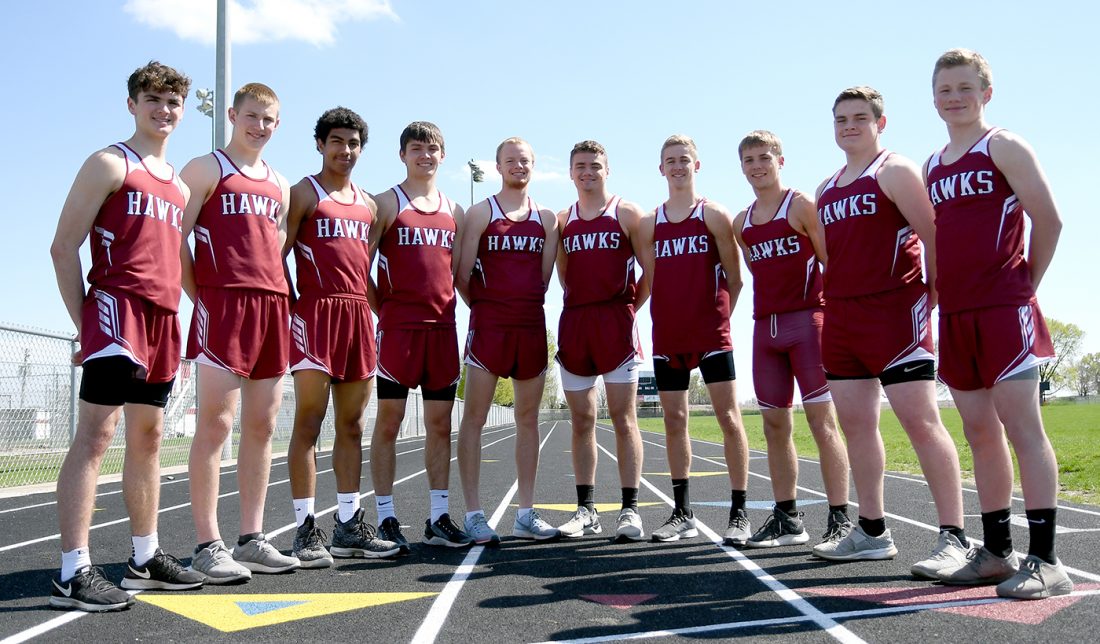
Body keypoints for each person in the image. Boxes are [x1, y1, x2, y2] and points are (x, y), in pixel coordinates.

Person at [48, 61, 205, 611]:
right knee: (97, 434)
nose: (164, 110)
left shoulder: (179, 185)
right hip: (117, 307)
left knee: (149, 438)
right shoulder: (110, 162)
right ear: (132, 104)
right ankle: (73, 570)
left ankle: (144, 556)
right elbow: (62, 247)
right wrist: (86, 326)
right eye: (153, 100)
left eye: (173, 102)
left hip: (163, 318)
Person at [924, 49, 1070, 599]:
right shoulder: (933, 165)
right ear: (933, 98)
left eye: (965, 87)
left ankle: (1047, 560)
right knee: (979, 433)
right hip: (957, 314)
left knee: (1023, 428)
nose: (954, 97)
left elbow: (1049, 219)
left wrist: (1025, 284)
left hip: (1004, 308)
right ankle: (995, 553)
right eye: (944, 89)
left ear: (986, 93)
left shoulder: (1003, 145)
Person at [809, 87, 969, 581]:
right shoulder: (825, 188)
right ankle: (872, 531)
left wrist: (931, 295)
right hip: (843, 319)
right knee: (857, 426)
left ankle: (955, 538)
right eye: (841, 119)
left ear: (880, 123)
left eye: (860, 117)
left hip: (896, 315)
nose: (849, 126)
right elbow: (832, 256)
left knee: (921, 423)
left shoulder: (895, 170)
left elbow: (935, 234)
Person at [180, 82, 300, 582]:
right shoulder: (205, 169)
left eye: (269, 119)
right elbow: (176, 240)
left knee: (263, 426)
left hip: (271, 307)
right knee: (216, 424)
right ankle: (207, 544)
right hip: (223, 304)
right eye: (252, 116)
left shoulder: (280, 183)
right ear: (232, 115)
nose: (260, 126)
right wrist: (203, 297)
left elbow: (275, 247)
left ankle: (252, 539)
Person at [284, 107, 400, 567]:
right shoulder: (303, 193)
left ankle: (349, 525)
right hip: (315, 313)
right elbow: (277, 255)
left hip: (356, 318)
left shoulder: (370, 205)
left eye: (353, 143)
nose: (345, 150)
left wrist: (379, 314)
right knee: (309, 423)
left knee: (352, 426)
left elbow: (364, 270)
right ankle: (304, 530)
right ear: (320, 144)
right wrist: (293, 308)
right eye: (336, 141)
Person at [732, 131, 853, 549]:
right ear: (741, 167)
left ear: (780, 161)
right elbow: (757, 271)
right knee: (774, 425)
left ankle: (840, 519)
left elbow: (830, 262)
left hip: (808, 324)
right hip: (765, 330)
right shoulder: (741, 222)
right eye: (749, 160)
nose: (757, 166)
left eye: (764, 157)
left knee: (822, 422)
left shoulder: (800, 205)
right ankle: (787, 519)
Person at [639, 135, 753, 545]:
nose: (677, 166)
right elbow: (651, 280)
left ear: (696, 165)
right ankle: (682, 513)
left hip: (711, 334)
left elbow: (736, 279)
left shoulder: (714, 215)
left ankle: (739, 513)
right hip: (669, 335)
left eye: (684, 159)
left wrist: (715, 320)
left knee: (729, 418)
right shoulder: (649, 224)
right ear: (661, 168)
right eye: (670, 160)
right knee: (675, 421)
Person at [366, 121, 472, 550]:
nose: (425, 155)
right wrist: (386, 312)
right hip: (398, 333)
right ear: (402, 155)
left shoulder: (455, 210)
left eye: (432, 149)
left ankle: (438, 517)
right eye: (416, 148)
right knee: (389, 423)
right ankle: (386, 517)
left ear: (442, 155)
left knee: (440, 426)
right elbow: (361, 267)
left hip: (442, 331)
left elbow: (457, 272)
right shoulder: (385, 203)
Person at [456, 138, 561, 544]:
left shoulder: (547, 219)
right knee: (475, 419)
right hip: (489, 329)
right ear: (498, 166)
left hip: (530, 327)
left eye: (525, 160)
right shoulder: (481, 213)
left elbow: (544, 278)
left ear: (534, 165)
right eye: (511, 160)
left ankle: (525, 513)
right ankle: (473, 514)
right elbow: (462, 275)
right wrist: (487, 309)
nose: (519, 166)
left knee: (528, 420)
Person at [554, 140, 649, 541]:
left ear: (607, 170)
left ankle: (630, 510)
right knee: (582, 421)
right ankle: (586, 510)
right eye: (580, 166)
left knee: (624, 419)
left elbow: (649, 272)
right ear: (570, 173)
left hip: (616, 322)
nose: (587, 172)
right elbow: (564, 274)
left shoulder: (627, 213)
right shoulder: (563, 220)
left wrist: (627, 309)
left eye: (594, 165)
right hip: (577, 323)